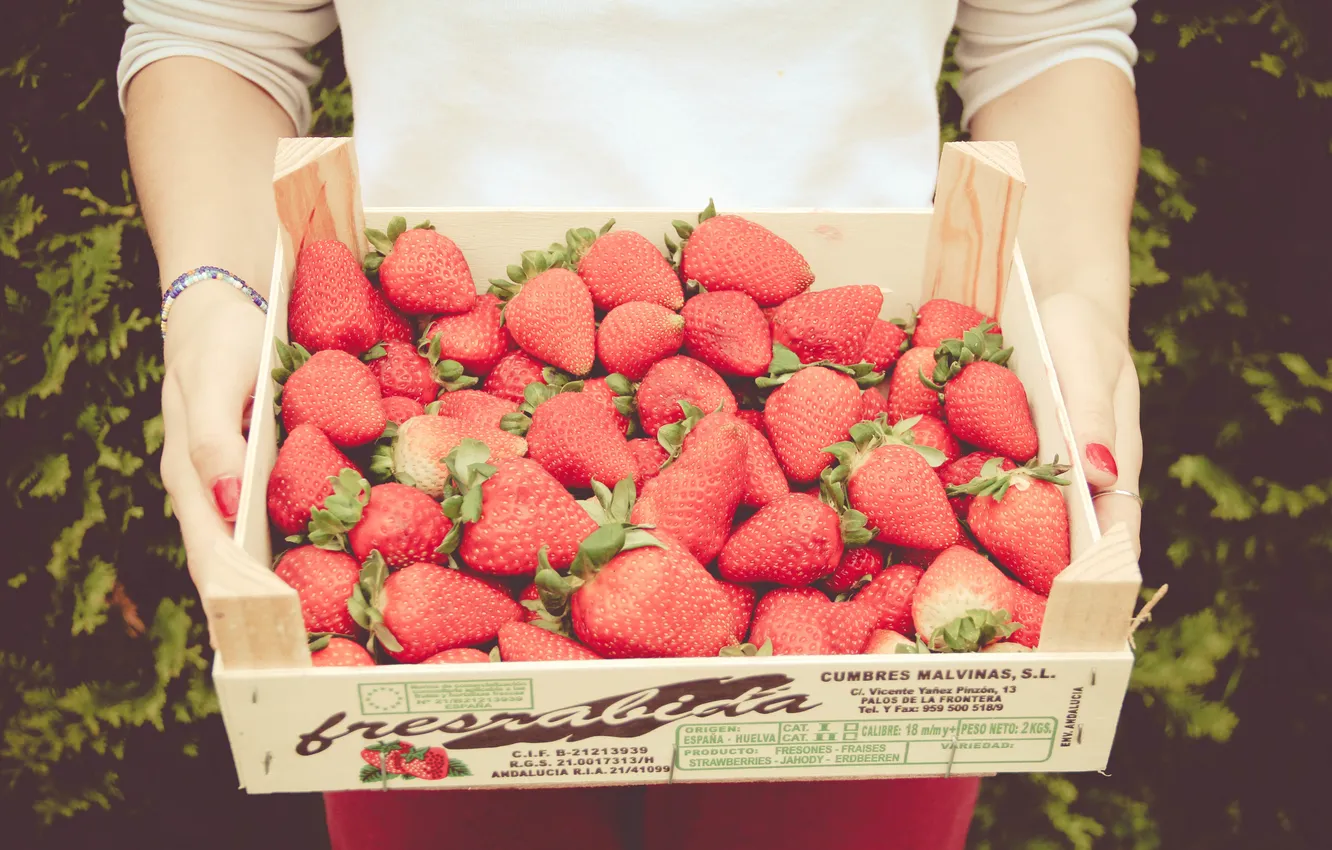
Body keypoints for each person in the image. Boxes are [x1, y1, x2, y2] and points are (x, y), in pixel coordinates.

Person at [118, 1, 1144, 848]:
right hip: (432, 368)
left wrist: (1079, 307)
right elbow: (220, 29)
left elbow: (1049, 30)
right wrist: (215, 293)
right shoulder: (478, 479)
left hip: (857, 387)